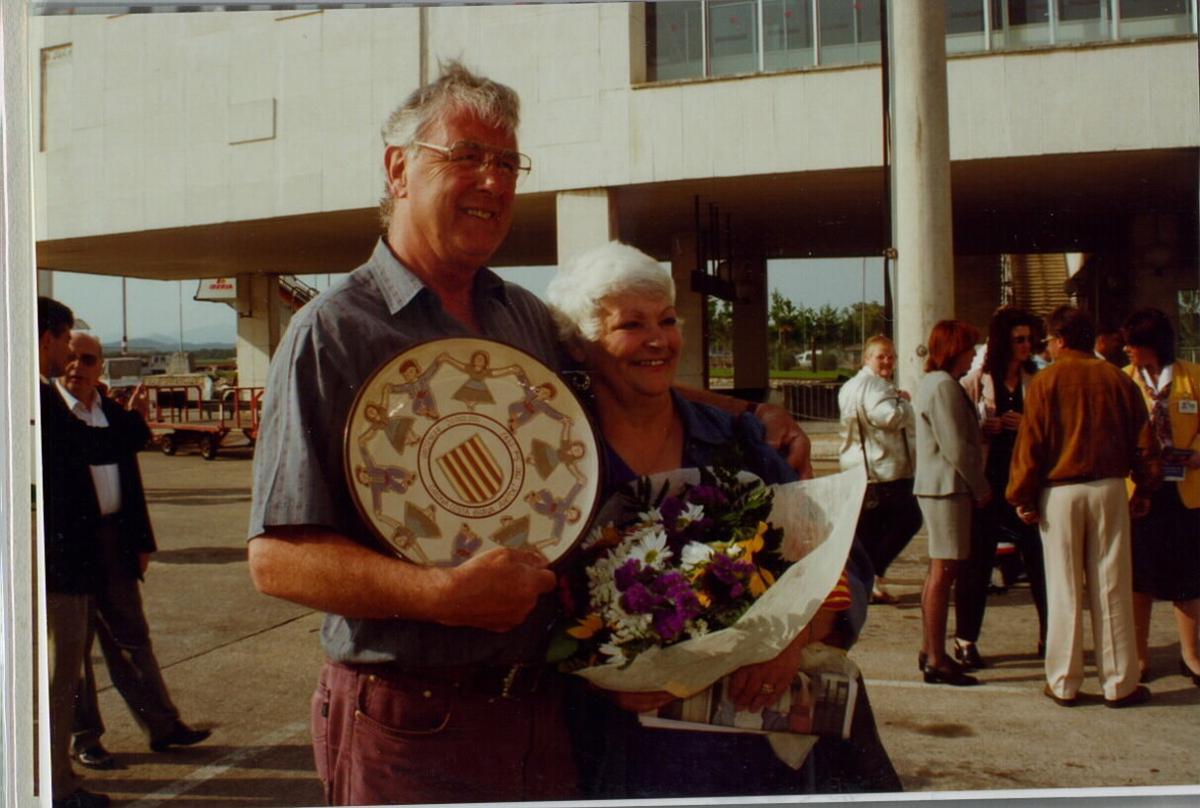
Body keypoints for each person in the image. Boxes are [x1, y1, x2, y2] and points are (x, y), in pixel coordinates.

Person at [246, 62, 811, 805]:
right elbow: (277, 560)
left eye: (508, 163)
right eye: (468, 156)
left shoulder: (519, 315)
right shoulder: (334, 330)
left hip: (546, 713)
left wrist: (748, 414)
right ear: (399, 170)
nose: (494, 180)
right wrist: (438, 595)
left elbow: (624, 369)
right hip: (409, 719)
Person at [546, 241, 899, 798]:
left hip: (759, 751)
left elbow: (843, 560)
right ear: (581, 346)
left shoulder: (742, 441)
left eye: (667, 319)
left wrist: (793, 636)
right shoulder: (559, 467)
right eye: (631, 325)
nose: (658, 339)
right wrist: (602, 678)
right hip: (623, 754)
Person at [58, 332, 210, 770]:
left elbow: (133, 485)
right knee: (76, 651)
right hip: (73, 548)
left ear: (100, 366)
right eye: (69, 358)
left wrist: (142, 540)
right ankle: (85, 738)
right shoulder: (53, 415)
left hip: (114, 541)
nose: (77, 366)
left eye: (86, 359)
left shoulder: (110, 415)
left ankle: (163, 726)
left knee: (132, 639)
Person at [1007, 305, 1155, 708]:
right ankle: (1120, 683)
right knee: (1112, 586)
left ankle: (1064, 681)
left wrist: (1022, 496)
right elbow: (1144, 440)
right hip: (1109, 487)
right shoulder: (1117, 378)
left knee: (1064, 587)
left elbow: (1032, 444)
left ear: (1058, 340)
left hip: (1060, 492)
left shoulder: (1045, 381)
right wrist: (1144, 486)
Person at [38, 297, 150, 808]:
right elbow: (87, 446)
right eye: (63, 341)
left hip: (61, 562)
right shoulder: (37, 398)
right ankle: (57, 787)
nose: (67, 355)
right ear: (46, 336)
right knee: (61, 679)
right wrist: (137, 427)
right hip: (61, 566)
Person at [957, 306, 1047, 668]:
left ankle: (1048, 636)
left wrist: (1026, 424)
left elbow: (1049, 430)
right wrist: (984, 430)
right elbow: (960, 432)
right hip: (988, 485)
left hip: (1026, 485)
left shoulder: (1038, 381)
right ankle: (965, 641)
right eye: (1018, 340)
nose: (1026, 346)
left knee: (1040, 563)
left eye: (1029, 339)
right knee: (976, 565)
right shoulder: (976, 382)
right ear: (1002, 343)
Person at [1119, 308, 1200, 688]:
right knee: (1141, 576)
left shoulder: (1192, 377)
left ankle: (1191, 654)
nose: (1128, 349)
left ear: (1153, 345)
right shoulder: (1123, 381)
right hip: (1141, 490)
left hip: (1185, 489)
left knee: (1188, 575)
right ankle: (1139, 653)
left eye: (1134, 343)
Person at [912, 320, 991, 687]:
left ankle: (931, 649)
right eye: (969, 348)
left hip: (942, 487)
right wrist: (979, 486)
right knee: (944, 574)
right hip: (949, 488)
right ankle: (936, 657)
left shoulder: (937, 384)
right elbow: (956, 447)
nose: (973, 354)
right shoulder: (944, 386)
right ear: (953, 350)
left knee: (938, 573)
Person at [837, 335, 921, 605]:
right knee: (910, 519)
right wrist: (905, 403)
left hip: (858, 468)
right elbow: (888, 417)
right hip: (885, 471)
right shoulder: (877, 387)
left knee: (868, 532)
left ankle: (865, 584)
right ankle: (870, 575)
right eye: (880, 356)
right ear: (867, 359)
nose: (887, 361)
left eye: (890, 356)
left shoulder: (849, 386)